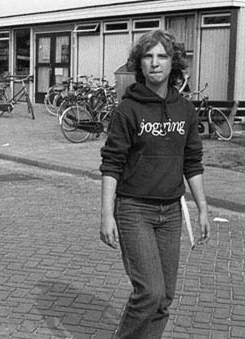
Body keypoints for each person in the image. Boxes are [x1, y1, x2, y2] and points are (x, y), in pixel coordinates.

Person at [99, 29, 210, 339]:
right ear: (140, 63)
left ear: (173, 63)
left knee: (163, 299)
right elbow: (111, 163)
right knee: (149, 292)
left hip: (171, 212)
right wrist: (107, 214)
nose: (155, 63)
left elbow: (192, 161)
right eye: (148, 56)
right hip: (135, 210)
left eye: (162, 56)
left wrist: (202, 207)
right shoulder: (128, 109)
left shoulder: (185, 109)